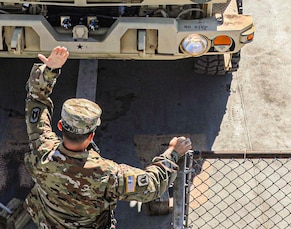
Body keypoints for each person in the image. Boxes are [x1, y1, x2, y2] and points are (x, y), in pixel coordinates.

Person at [24, 46, 191, 228]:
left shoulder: (41, 148)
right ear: (92, 135)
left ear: (60, 126)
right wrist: (174, 152)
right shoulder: (107, 175)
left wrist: (49, 70)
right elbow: (151, 186)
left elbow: (36, 100)